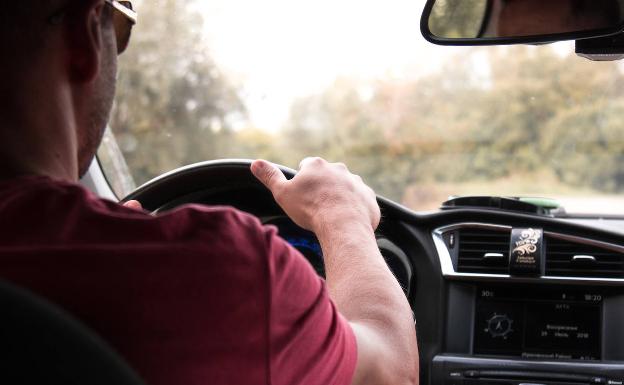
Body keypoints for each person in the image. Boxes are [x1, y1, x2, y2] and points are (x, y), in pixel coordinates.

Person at [0, 1, 419, 385]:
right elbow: (391, 373)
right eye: (121, 25)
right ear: (85, 32)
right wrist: (339, 211)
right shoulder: (219, 274)